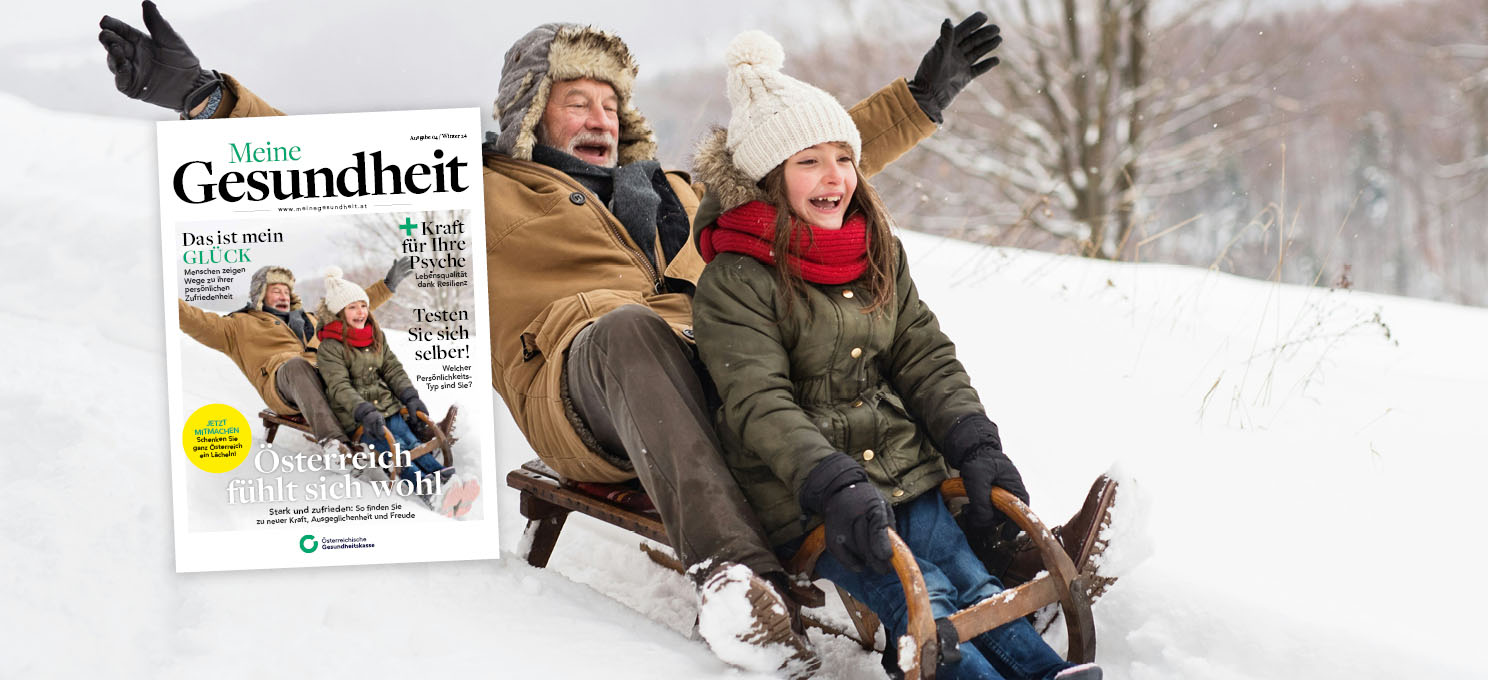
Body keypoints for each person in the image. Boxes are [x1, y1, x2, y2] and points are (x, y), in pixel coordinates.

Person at [100, 3, 1001, 673]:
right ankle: (737, 582)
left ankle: (981, 531)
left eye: (610, 102)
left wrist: (920, 99)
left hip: (716, 368)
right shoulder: (477, 193)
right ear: (531, 110)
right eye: (577, 100)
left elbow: (809, 166)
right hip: (586, 380)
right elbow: (327, 164)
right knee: (630, 332)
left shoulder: (682, 192)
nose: (600, 117)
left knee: (833, 322)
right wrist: (207, 99)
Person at [691, 32, 1100, 680]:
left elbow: (922, 352)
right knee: (927, 603)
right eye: (808, 163)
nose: (835, 177)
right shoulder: (737, 281)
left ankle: (1049, 676)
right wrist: (832, 480)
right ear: (768, 179)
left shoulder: (873, 250)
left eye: (843, 158)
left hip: (906, 477)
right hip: (816, 501)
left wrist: (973, 442)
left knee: (976, 585)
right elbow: (759, 402)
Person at [176, 262, 410, 457]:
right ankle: (334, 444)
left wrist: (387, 285)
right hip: (283, 383)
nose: (284, 296)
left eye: (287, 291)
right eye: (276, 290)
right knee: (297, 366)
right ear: (260, 293)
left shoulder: (309, 317)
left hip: (325, 375)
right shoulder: (237, 325)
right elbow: (194, 319)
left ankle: (413, 427)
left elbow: (349, 308)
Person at [314, 268, 478, 518]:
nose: (360, 312)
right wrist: (363, 410)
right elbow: (339, 387)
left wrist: (410, 396)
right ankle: (428, 491)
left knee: (412, 443)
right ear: (338, 313)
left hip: (388, 408)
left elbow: (392, 369)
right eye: (352, 308)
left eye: (363, 305)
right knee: (397, 451)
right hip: (360, 418)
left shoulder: (374, 336)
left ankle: (448, 482)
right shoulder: (330, 347)